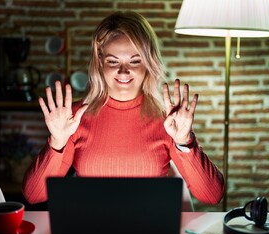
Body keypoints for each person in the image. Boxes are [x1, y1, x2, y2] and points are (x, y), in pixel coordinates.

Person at [22, 11, 225, 205]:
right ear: (100, 62)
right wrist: (57, 142)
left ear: (149, 63)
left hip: (149, 227)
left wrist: (184, 141)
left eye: (135, 61)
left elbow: (212, 195)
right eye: (113, 61)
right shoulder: (74, 117)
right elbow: (33, 195)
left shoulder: (168, 119)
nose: (124, 71)